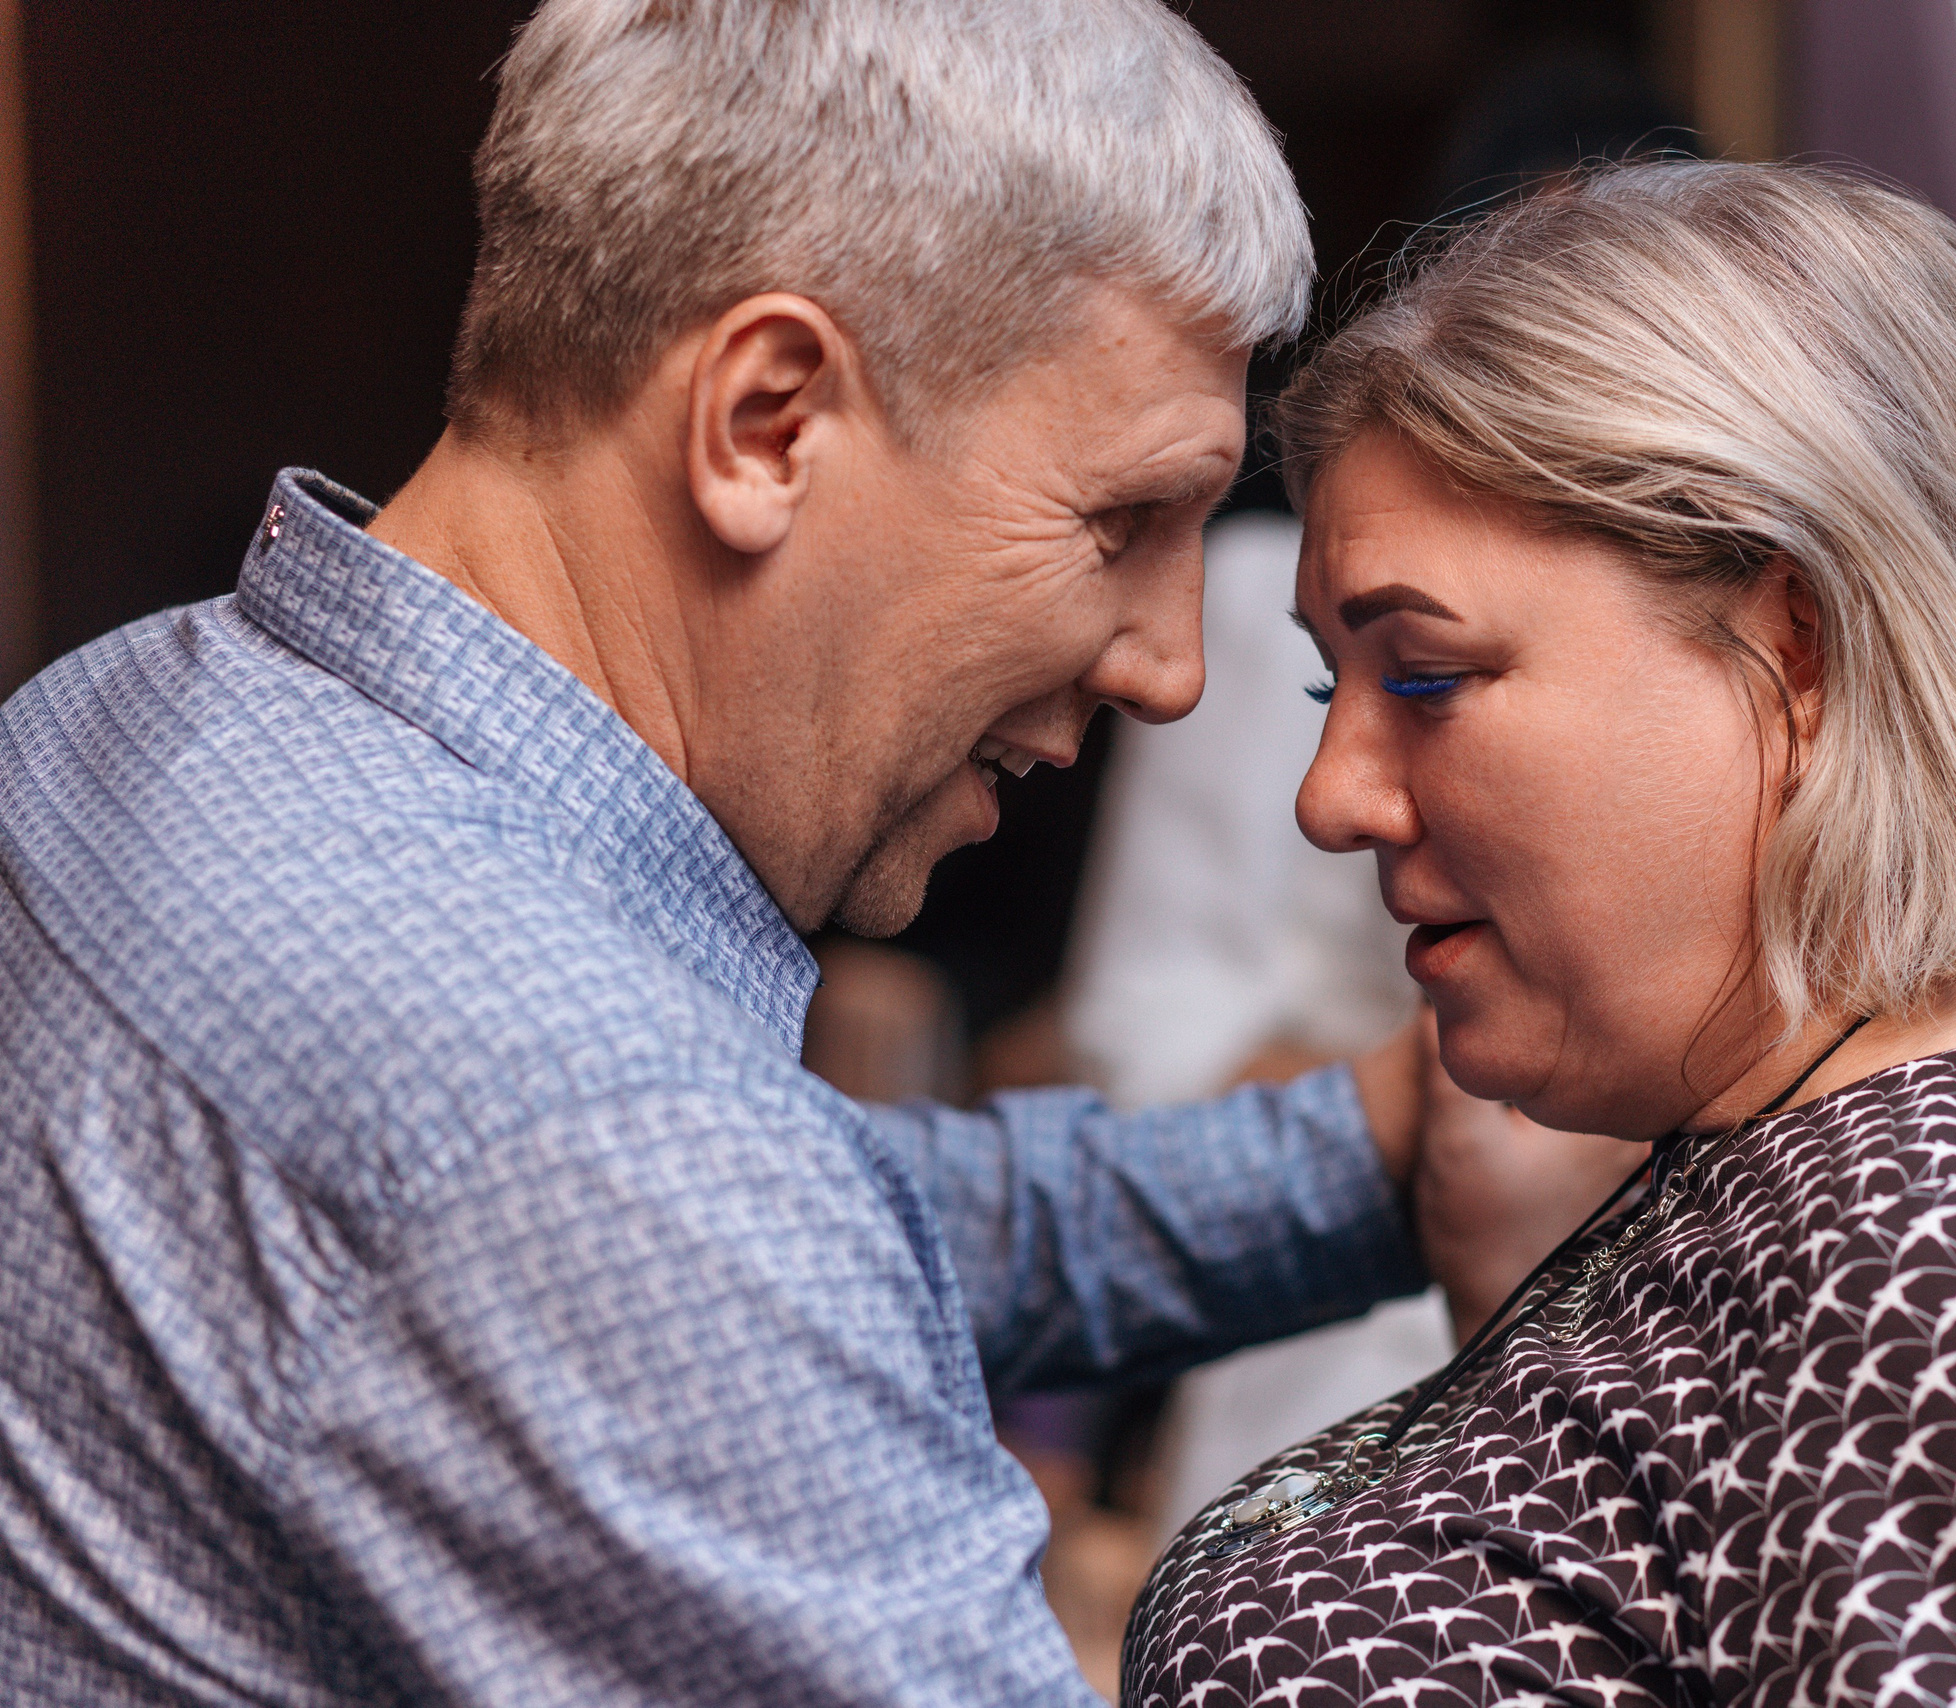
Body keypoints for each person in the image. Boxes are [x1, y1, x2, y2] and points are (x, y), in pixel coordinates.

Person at [0, 4, 1598, 1703]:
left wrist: (1375, 1149)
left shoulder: (114, 719)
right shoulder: (595, 1139)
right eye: (1122, 521)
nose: (1170, 667)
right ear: (766, 421)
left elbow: (810, 1229)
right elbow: (678, 1221)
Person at [1124, 162, 1956, 1706]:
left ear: (1796, 647)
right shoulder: (1852, 1177)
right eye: (1333, 688)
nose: (1333, 798)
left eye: (1426, 678)